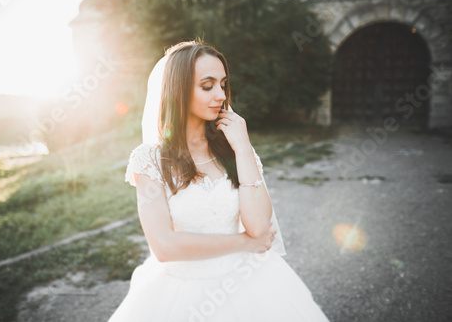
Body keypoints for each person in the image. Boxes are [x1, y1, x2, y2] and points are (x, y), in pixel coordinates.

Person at [108, 40, 330, 322]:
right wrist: (244, 244)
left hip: (250, 283)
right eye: (207, 85)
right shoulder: (150, 161)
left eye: (223, 84)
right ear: (178, 90)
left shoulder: (233, 149)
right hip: (181, 292)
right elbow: (164, 246)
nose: (221, 95)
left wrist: (243, 148)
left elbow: (260, 226)